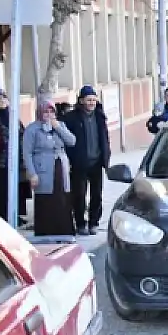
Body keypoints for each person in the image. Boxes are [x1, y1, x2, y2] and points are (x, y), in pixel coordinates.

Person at [23, 101, 77, 237]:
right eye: (46, 112)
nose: (49, 115)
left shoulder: (60, 125)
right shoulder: (32, 129)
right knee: (46, 200)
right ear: (40, 113)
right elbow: (27, 153)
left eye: (51, 112)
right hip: (43, 168)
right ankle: (45, 233)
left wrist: (58, 127)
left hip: (60, 167)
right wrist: (32, 174)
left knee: (62, 199)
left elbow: (72, 141)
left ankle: (64, 232)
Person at [62, 85, 111, 235]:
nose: (91, 103)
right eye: (88, 100)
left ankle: (94, 222)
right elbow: (66, 141)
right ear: (81, 100)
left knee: (97, 195)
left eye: (93, 100)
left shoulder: (100, 116)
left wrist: (106, 156)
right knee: (79, 195)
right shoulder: (71, 118)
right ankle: (80, 223)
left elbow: (104, 138)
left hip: (96, 162)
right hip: (79, 164)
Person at [0, 88, 31, 222]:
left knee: (15, 187)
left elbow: (21, 131)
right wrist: (11, 135)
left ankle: (15, 215)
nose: (3, 101)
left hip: (15, 158)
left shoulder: (11, 114)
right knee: (0, 189)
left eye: (4, 98)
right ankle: (1, 217)